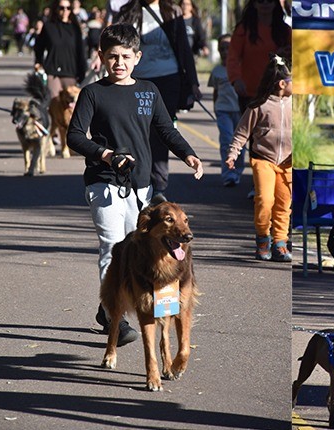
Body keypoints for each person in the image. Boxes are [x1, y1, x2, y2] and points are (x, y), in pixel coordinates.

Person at [66, 23, 204, 344]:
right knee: (114, 247)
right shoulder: (93, 93)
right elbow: (74, 136)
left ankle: (161, 313)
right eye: (112, 56)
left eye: (126, 57)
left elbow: (165, 129)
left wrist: (188, 154)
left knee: (148, 247)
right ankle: (114, 312)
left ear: (137, 57)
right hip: (103, 183)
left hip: (140, 185)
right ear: (101, 57)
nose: (119, 63)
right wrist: (105, 154)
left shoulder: (148, 91)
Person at [113, 0, 201, 198]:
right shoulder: (127, 13)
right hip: (136, 78)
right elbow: (114, 43)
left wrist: (193, 82)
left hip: (168, 79)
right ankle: (133, 179)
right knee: (134, 130)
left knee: (162, 131)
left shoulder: (173, 12)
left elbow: (184, 48)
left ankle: (158, 186)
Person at [225, 56, 292, 262]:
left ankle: (280, 242)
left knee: (284, 203)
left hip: (288, 163)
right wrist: (233, 154)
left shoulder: (295, 105)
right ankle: (263, 238)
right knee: (265, 200)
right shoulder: (259, 106)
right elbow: (241, 133)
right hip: (263, 159)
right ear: (282, 84)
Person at [227, 0, 291, 109]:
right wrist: (236, 79)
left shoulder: (285, 31)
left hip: (276, 92)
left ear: (275, 4)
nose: (265, 4)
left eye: (269, 1)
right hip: (249, 92)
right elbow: (233, 57)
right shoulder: (243, 30)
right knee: (248, 126)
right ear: (254, 4)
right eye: (261, 1)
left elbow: (294, 57)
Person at [209, 34, 244, 187]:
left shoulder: (241, 68)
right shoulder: (216, 71)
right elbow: (215, 92)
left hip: (240, 111)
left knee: (239, 144)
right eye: (222, 48)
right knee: (226, 141)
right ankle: (228, 174)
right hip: (223, 110)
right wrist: (215, 108)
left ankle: (237, 171)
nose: (225, 51)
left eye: (228, 48)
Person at [34, 0, 87, 100]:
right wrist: (38, 62)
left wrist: (82, 73)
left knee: (69, 107)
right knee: (54, 102)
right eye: (61, 8)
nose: (65, 11)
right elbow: (39, 46)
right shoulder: (49, 27)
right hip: (52, 72)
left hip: (71, 73)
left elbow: (81, 52)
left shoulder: (75, 29)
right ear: (56, 9)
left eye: (68, 8)